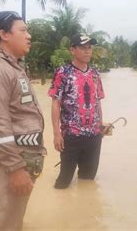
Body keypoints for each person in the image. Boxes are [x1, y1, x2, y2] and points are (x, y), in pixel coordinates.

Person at [0, 11, 46, 230]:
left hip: (18, 161)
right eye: (23, 30)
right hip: (6, 166)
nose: (29, 35)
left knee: (11, 221)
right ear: (4, 34)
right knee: (1, 224)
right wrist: (14, 169)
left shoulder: (10, 67)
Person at [48, 33, 105, 189]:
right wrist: (56, 134)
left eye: (89, 48)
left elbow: (97, 101)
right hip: (71, 135)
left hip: (94, 136)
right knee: (64, 182)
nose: (87, 51)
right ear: (72, 50)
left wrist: (101, 125)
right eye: (83, 48)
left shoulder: (95, 74)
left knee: (88, 180)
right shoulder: (62, 72)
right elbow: (55, 103)